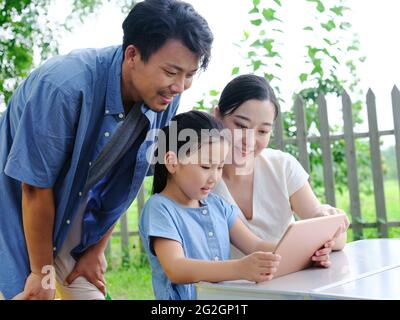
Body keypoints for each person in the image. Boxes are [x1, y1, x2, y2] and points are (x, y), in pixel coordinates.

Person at [0, 0, 213, 300]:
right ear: (132, 55)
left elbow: (126, 181)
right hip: (15, 209)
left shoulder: (163, 96)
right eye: (171, 71)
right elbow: (35, 187)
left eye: (189, 74)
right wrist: (40, 272)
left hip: (69, 217)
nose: (179, 86)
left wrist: (95, 250)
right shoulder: (63, 86)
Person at [139, 110, 334, 300]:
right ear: (172, 162)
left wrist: (306, 253)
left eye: (220, 167)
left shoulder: (217, 206)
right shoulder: (159, 208)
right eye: (206, 167)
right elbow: (176, 268)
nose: (214, 177)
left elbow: (256, 245)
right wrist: (239, 268)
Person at [212, 74, 349, 259]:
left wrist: (328, 229)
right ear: (217, 116)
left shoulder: (281, 166)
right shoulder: (199, 178)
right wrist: (305, 248)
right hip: (227, 285)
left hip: (289, 281)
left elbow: (337, 238)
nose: (250, 140)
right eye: (241, 125)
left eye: (262, 131)